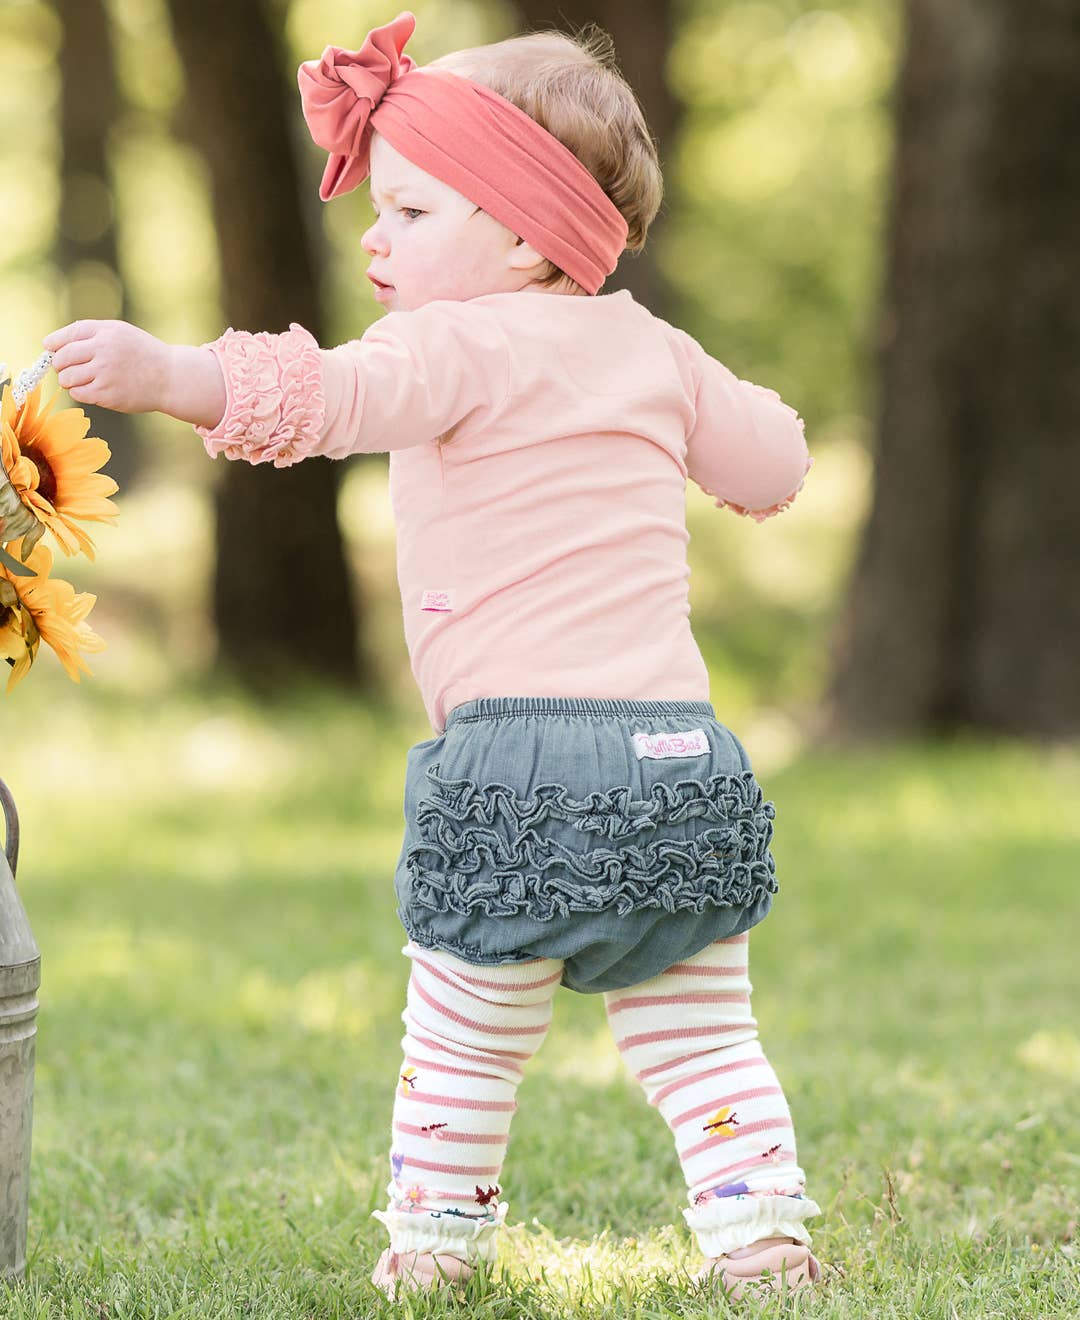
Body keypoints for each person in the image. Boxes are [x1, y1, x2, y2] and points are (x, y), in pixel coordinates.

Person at [42, 10, 822, 1302]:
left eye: (409, 214)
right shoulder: (655, 351)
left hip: (513, 767)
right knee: (703, 1039)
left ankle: (434, 1255)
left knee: (463, 1042)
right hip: (677, 763)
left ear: (524, 234)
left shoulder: (448, 346)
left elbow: (317, 402)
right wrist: (735, 420)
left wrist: (168, 369)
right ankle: (762, 1240)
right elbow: (777, 466)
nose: (373, 237)